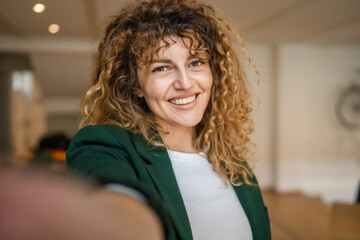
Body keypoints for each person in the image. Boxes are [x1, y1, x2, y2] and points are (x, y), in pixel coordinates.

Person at [66, 0, 271, 239]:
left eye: (196, 63)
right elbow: (111, 192)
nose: (184, 83)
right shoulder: (105, 145)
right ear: (135, 85)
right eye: (161, 68)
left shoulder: (234, 162)